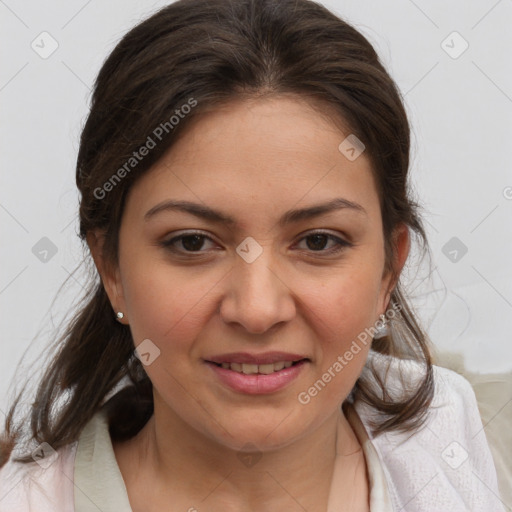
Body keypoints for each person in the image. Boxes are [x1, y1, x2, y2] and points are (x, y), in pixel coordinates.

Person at [0, 0, 505, 510]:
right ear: (111, 267)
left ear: (388, 270)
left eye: (318, 241)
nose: (258, 310)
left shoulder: (442, 427)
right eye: (193, 242)